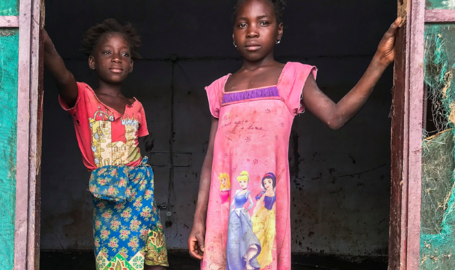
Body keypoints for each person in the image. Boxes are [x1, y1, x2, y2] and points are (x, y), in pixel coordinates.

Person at [188, 0, 401, 269]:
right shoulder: (220, 89)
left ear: (279, 31)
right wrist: (198, 219)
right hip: (224, 210)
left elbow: (336, 117)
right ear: (233, 35)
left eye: (263, 22)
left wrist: (379, 61)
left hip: (264, 209)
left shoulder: (293, 77)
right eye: (243, 24)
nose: (252, 31)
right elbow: (211, 160)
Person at [43, 19, 169, 270]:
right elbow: (59, 71)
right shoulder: (83, 98)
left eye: (124, 54)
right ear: (92, 61)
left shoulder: (136, 106)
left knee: (156, 261)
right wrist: (41, 35)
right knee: (118, 263)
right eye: (107, 52)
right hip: (110, 196)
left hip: (141, 193)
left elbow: (137, 149)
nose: (116, 58)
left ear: (131, 64)